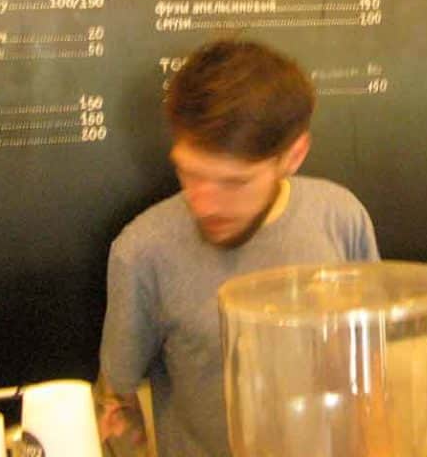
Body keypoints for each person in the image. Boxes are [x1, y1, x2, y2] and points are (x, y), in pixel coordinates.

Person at [95, 38, 380, 457]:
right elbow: (115, 399)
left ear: (293, 155)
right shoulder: (142, 252)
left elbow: (371, 362)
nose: (205, 203)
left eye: (234, 182)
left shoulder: (341, 217)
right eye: (190, 173)